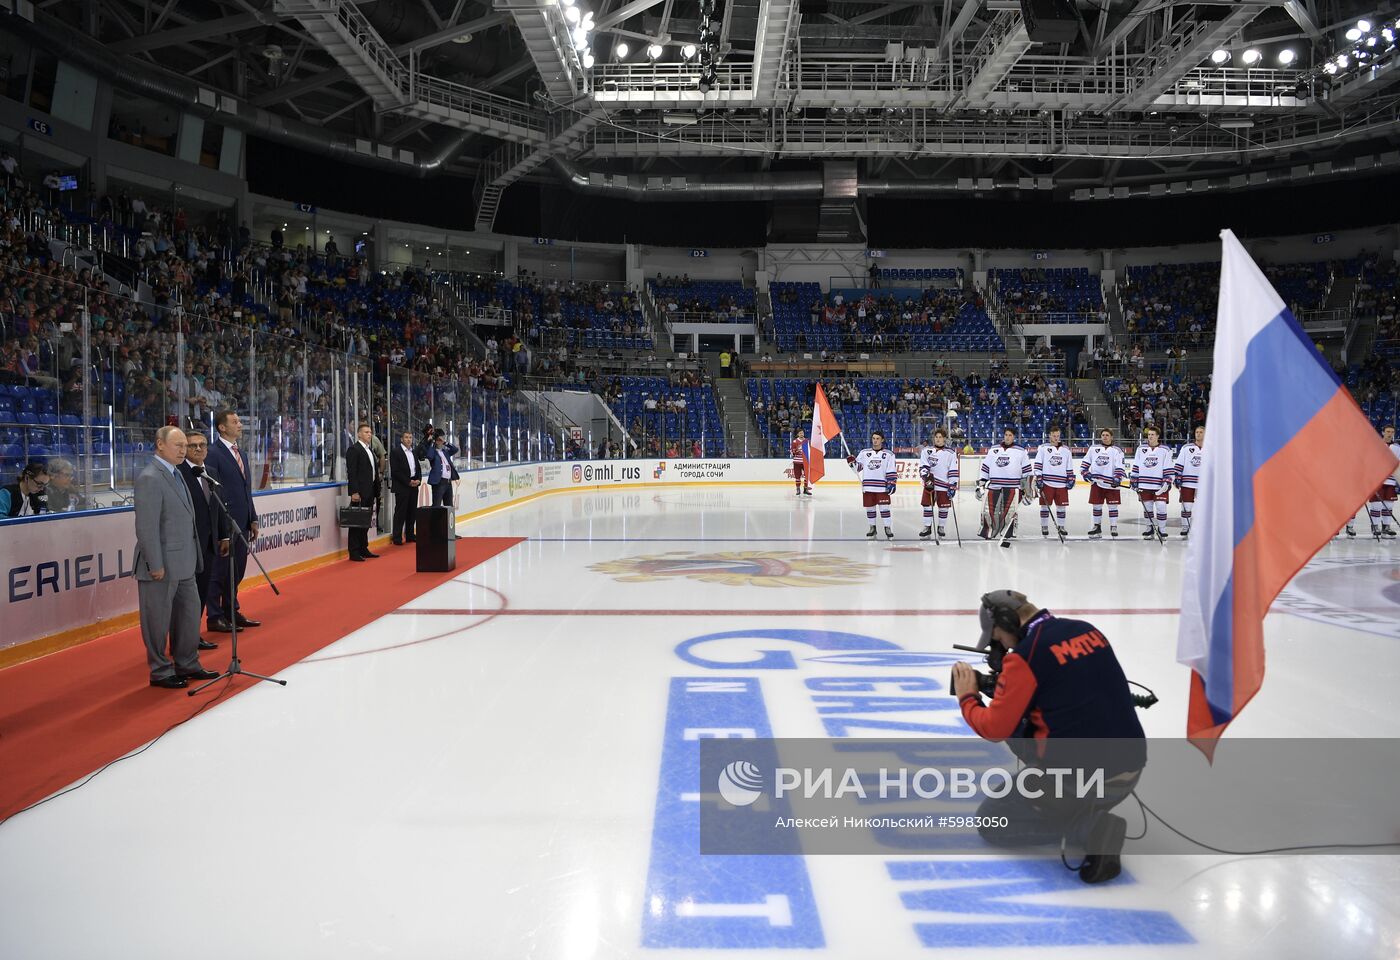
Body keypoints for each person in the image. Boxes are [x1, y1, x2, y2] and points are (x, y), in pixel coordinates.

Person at [953, 589, 1145, 884]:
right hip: (1129, 771)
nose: (1001, 648)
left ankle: (1091, 829)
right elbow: (1069, 685)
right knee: (1025, 723)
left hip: (1087, 782)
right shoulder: (1086, 630)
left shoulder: (1026, 657)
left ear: (1007, 621)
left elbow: (994, 728)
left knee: (992, 821)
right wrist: (1007, 687)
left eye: (999, 639)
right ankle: (1076, 804)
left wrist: (968, 697)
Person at [132, 426, 218, 689]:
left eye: (185, 446)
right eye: (178, 445)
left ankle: (188, 662)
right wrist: (154, 563)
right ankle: (160, 670)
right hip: (161, 565)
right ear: (160, 445)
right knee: (157, 620)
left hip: (185, 563)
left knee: (189, 615)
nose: (184, 450)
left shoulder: (178, 473)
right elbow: (146, 527)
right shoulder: (150, 477)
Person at [204, 409, 260, 633]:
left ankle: (231, 610)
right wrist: (221, 528)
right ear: (221, 427)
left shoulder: (242, 454)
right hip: (224, 524)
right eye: (235, 422)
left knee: (236, 571)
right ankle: (214, 616)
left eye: (239, 421)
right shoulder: (213, 453)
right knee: (219, 572)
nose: (240, 425)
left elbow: (246, 490)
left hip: (242, 522)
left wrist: (252, 518)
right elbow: (214, 492)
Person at [177, 431, 227, 651]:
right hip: (188, 545)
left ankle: (193, 636)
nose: (198, 449)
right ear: (184, 449)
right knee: (187, 597)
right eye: (192, 445)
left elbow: (218, 507)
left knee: (201, 593)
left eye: (202, 445)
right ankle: (182, 640)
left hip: (209, 545)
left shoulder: (212, 472)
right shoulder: (178, 473)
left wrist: (223, 535)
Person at [977, 427, 1031, 546]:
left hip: (1013, 486)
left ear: (1014, 437)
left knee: (1009, 512)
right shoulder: (994, 450)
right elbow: (985, 467)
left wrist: (1027, 488)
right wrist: (981, 482)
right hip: (994, 485)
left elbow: (1027, 471)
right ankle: (988, 531)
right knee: (988, 510)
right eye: (1006, 434)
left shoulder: (1021, 451)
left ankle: (1007, 533)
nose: (1007, 437)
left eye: (1010, 435)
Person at [847, 430, 897, 539]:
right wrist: (852, 463)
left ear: (882, 440)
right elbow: (858, 469)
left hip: (882, 487)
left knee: (884, 508)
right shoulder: (864, 453)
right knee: (870, 508)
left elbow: (891, 470)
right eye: (873, 438)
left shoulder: (889, 454)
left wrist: (892, 482)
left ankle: (887, 528)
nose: (875, 441)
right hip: (868, 486)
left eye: (878, 438)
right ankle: (872, 528)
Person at [1080, 428, 1126, 538]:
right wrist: (1085, 473)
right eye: (1103, 435)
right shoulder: (1093, 448)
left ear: (1111, 437)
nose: (1105, 437)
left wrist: (1117, 478)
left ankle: (1113, 526)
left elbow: (1120, 467)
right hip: (1097, 483)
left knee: (1113, 506)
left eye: (1107, 435)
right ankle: (1097, 527)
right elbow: (1085, 464)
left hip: (1111, 484)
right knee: (1096, 506)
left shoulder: (1117, 450)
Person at [1130, 426, 1173, 539]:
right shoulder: (1141, 449)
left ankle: (1162, 530)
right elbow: (1136, 466)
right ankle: (1149, 529)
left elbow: (1168, 467)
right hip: (1144, 484)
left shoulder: (1165, 450)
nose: (1150, 436)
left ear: (1158, 436)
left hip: (1159, 485)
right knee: (1147, 508)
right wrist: (1134, 480)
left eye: (1152, 434)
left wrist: (1167, 482)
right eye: (1149, 434)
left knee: (1161, 507)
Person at [916, 427, 959, 540]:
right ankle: (927, 527)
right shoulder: (926, 451)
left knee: (943, 508)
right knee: (927, 506)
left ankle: (941, 527)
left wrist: (952, 485)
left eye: (940, 437)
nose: (938, 439)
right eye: (936, 437)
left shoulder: (950, 453)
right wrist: (926, 477)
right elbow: (923, 466)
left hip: (944, 486)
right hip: (930, 484)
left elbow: (953, 470)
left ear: (944, 439)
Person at [345, 422, 379, 561]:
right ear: (359, 434)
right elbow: (352, 473)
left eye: (370, 432)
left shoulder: (370, 450)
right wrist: (354, 492)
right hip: (359, 492)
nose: (369, 434)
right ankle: (354, 551)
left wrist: (376, 491)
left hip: (370, 491)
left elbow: (373, 472)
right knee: (356, 522)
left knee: (365, 522)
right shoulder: (354, 449)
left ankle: (363, 548)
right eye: (366, 432)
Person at [1033, 425, 1074, 538]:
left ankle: (1061, 527)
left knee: (1061, 507)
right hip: (1047, 483)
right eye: (1054, 436)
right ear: (1049, 435)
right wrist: (1039, 477)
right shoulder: (1043, 448)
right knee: (1045, 506)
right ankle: (1044, 526)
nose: (1056, 438)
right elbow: (1037, 465)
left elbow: (1069, 466)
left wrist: (1071, 478)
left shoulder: (1066, 450)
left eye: (1058, 436)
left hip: (1062, 484)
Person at [1364, 424, 1400, 537]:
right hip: (1377, 480)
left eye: (1392, 432)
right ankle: (1375, 526)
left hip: (1391, 480)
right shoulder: (1375, 445)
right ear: (1383, 432)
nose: (1390, 434)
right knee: (1377, 506)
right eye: (1388, 431)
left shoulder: (1397, 448)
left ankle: (1386, 527)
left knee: (1389, 505)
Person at [389, 429, 423, 545]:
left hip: (414, 485)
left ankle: (409, 534)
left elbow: (417, 468)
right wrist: (408, 482)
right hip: (402, 486)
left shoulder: (413, 452)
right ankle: (397, 537)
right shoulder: (396, 452)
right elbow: (396, 471)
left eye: (410, 437)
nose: (409, 439)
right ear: (401, 439)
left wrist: (418, 480)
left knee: (412, 511)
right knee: (400, 512)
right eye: (406, 437)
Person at [1173, 425, 1204, 539]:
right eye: (1197, 432)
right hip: (1187, 482)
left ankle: (1202, 527)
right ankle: (1185, 527)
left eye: (1201, 432)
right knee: (1186, 506)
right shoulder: (1186, 448)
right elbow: (1179, 464)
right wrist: (1177, 477)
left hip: (1203, 484)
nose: (1198, 434)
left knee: (1203, 507)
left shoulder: (1212, 448)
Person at [421, 429, 460, 508]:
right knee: (436, 506)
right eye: (439, 439)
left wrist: (445, 442)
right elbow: (429, 456)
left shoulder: (445, 452)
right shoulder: (433, 451)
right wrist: (432, 442)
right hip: (438, 483)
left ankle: (447, 521)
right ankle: (435, 520)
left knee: (449, 507)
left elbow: (455, 449)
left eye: (442, 439)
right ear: (435, 440)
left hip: (448, 483)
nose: (440, 441)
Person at [790, 428, 811, 497]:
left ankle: (805, 489)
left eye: (802, 433)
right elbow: (792, 451)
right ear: (797, 434)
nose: (802, 434)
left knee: (806, 476)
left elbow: (810, 450)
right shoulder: (794, 442)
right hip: (797, 462)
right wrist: (796, 451)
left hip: (805, 462)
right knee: (797, 476)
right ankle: (798, 489)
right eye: (800, 433)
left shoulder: (807, 441)